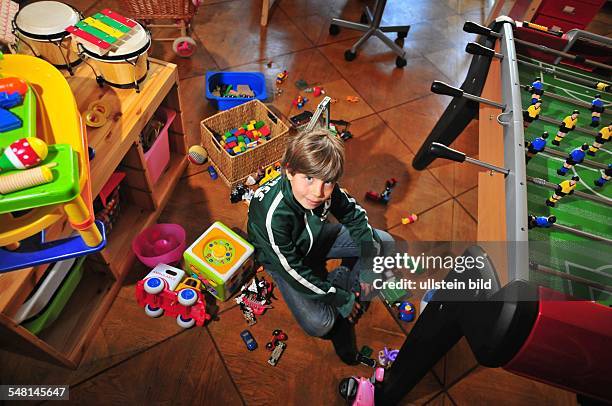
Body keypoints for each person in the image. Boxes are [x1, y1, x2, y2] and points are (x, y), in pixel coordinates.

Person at [247, 128, 393, 365]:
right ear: (289, 171)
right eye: (309, 179)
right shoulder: (272, 216)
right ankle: (344, 293)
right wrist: (339, 298)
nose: (318, 192)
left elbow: (354, 215)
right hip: (284, 263)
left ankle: (348, 285)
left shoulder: (326, 190)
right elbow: (293, 271)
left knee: (384, 243)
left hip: (317, 237)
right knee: (320, 323)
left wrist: (367, 263)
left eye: (328, 182)